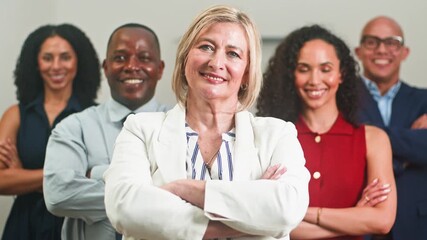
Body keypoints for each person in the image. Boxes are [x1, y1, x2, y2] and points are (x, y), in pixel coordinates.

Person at [104, 5, 310, 240]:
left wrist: (183, 190)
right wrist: (249, 216)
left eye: (233, 53)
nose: (216, 62)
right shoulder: (140, 129)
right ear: (184, 60)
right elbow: (125, 208)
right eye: (206, 47)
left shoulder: (277, 134)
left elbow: (286, 210)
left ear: (246, 73)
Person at [257, 25, 396, 240]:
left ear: (341, 74)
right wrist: (355, 219)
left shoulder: (373, 139)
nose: (314, 80)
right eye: (304, 69)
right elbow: (263, 221)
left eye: (325, 69)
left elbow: (382, 221)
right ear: (291, 75)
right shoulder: (274, 137)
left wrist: (298, 213)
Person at [43, 23, 169, 240]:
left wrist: (99, 173)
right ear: (106, 67)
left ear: (160, 69)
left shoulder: (183, 125)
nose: (131, 66)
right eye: (120, 58)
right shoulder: (74, 128)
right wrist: (156, 193)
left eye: (144, 57)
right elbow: (58, 195)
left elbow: (197, 196)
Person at [0, 24, 100, 240]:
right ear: (36, 62)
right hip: (23, 226)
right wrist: (65, 176)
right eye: (47, 58)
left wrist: (23, 176)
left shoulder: (94, 116)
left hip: (75, 226)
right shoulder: (15, 115)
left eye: (65, 57)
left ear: (78, 62)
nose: (56, 66)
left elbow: (98, 181)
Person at [355, 16, 427, 240]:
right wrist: (407, 153)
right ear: (358, 52)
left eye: (392, 42)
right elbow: (347, 150)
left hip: (415, 225)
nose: (382, 50)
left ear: (404, 52)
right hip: (358, 221)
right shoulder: (340, 98)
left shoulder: (424, 100)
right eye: (372, 42)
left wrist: (368, 137)